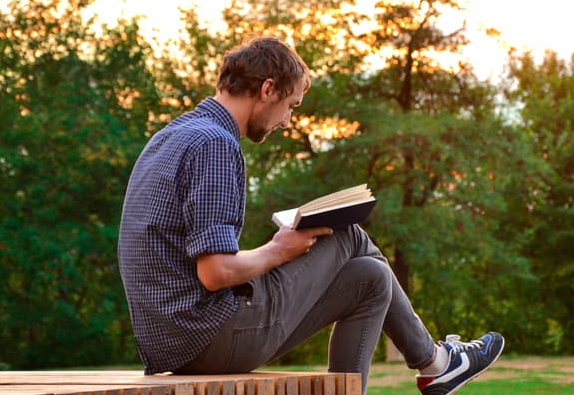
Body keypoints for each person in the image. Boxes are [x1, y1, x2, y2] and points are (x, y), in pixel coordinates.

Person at [117, 35, 504, 395]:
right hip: (207, 336)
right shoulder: (216, 145)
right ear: (268, 89)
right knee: (348, 234)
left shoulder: (173, 134)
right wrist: (279, 250)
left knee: (371, 279)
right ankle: (435, 362)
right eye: (290, 107)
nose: (286, 121)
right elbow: (215, 272)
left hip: (169, 339)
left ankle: (435, 364)